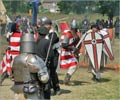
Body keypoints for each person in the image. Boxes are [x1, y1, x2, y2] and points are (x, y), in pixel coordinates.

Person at [11, 33, 49, 100]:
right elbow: (44, 78)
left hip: (17, 91)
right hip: (31, 91)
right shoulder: (34, 59)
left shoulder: (15, 59)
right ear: (33, 44)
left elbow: (11, 76)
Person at [41, 17, 61, 95]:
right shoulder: (46, 33)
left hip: (54, 55)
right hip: (47, 54)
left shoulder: (53, 34)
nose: (45, 26)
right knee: (47, 71)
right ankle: (48, 88)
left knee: (52, 71)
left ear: (49, 25)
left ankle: (57, 88)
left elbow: (49, 43)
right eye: (44, 25)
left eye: (46, 25)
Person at [36, 26, 54, 99]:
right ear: (46, 34)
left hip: (34, 65)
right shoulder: (47, 42)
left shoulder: (34, 42)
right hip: (44, 65)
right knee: (46, 85)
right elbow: (51, 55)